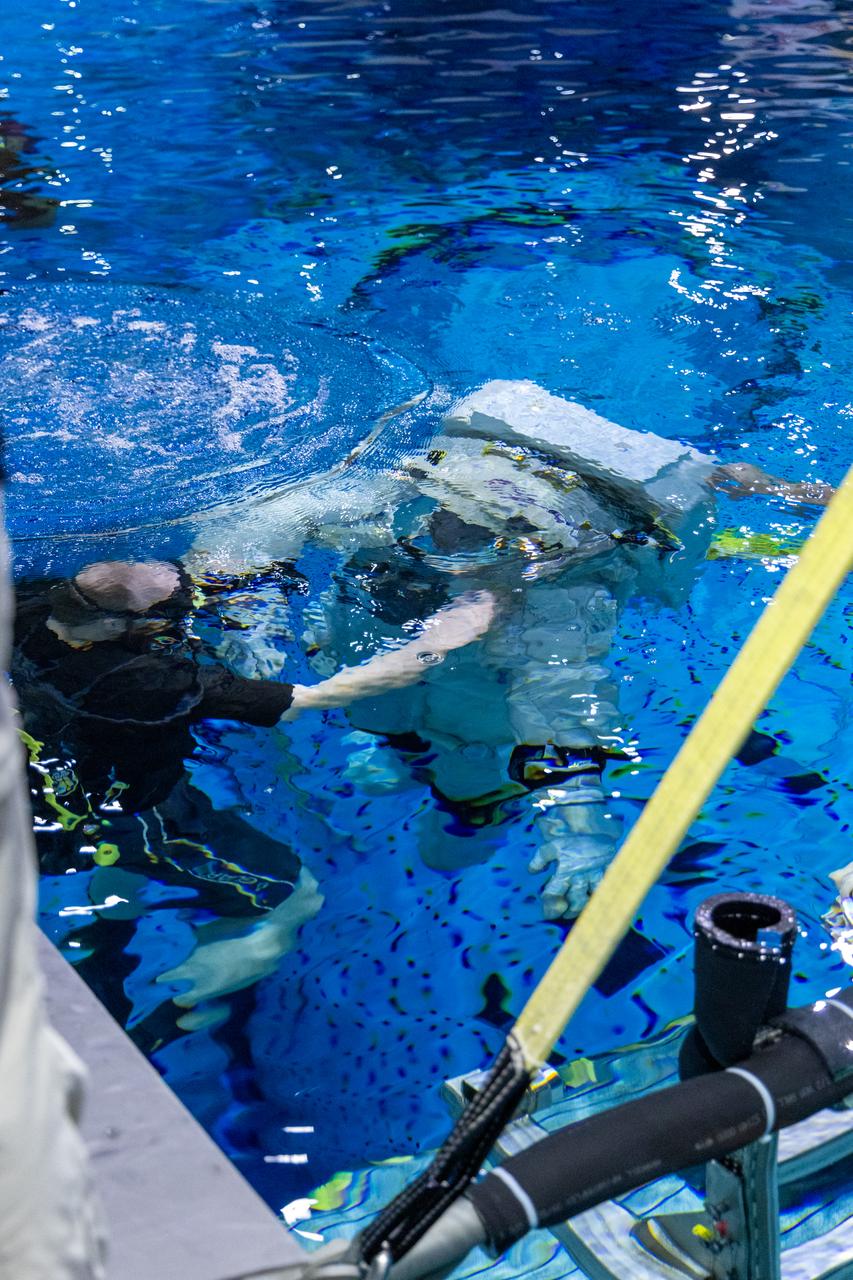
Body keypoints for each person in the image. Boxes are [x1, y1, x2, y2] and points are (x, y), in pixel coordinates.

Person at [188, 378, 832, 919]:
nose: (447, 542)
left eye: (483, 538)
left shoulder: (563, 594)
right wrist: (251, 611)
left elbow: (565, 704)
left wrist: (575, 822)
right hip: (381, 681)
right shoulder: (389, 513)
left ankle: (472, 810)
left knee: (457, 822)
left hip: (476, 719)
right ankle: (395, 748)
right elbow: (255, 522)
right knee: (381, 723)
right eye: (441, 519)